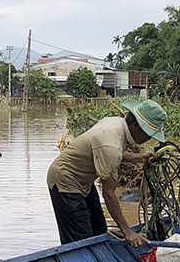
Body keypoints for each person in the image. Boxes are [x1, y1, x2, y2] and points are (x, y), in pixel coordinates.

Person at [46, 98, 167, 248]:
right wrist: (128, 232)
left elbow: (107, 152)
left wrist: (139, 157)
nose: (149, 138)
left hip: (84, 182)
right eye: (149, 133)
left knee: (98, 229)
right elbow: (109, 194)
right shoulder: (111, 143)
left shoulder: (116, 123)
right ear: (135, 126)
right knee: (80, 239)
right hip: (65, 180)